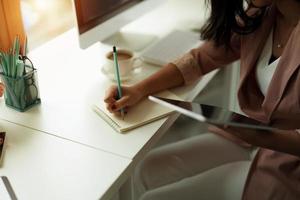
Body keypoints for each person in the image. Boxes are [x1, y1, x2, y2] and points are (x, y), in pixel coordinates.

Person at [104, 0, 300, 199]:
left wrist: (260, 135)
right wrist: (139, 89)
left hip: (289, 164)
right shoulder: (262, 14)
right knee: (146, 169)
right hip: (251, 143)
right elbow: (201, 58)